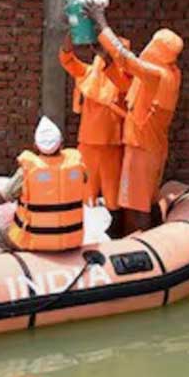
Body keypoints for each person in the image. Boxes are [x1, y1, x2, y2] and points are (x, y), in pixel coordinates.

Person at [85, 1, 182, 237]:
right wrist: (107, 62)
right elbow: (128, 85)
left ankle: (139, 250)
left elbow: (126, 58)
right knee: (143, 202)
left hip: (142, 149)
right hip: (149, 147)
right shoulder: (164, 74)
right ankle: (152, 238)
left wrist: (100, 21)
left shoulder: (157, 74)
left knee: (135, 206)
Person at [58, 30, 131, 230]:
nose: (102, 57)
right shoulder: (88, 73)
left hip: (111, 143)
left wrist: (109, 58)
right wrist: (71, 36)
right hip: (88, 142)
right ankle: (86, 230)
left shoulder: (125, 79)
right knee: (85, 189)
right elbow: (67, 59)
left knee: (112, 191)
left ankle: (114, 233)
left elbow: (122, 82)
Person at [0, 116, 89, 252]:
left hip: (35, 239)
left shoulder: (28, 171)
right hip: (72, 238)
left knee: (2, 236)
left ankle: (13, 268)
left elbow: (2, 198)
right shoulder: (77, 166)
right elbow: (84, 179)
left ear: (35, 146)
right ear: (61, 144)